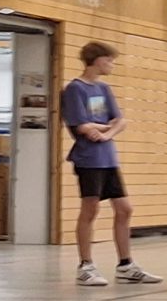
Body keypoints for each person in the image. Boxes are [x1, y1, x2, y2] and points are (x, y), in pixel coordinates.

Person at [61, 41, 159, 286]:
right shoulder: (75, 89)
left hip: (108, 157)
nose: (112, 65)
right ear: (97, 60)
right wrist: (100, 127)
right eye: (109, 60)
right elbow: (81, 126)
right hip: (88, 159)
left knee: (125, 209)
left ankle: (125, 265)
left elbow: (120, 121)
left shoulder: (104, 88)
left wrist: (106, 133)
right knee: (90, 209)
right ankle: (85, 265)